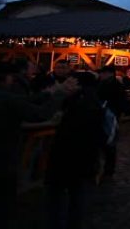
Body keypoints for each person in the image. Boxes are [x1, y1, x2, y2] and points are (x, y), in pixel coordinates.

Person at [0, 61, 77, 229]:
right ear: (7, 78)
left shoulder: (5, 96)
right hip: (2, 158)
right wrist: (60, 95)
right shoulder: (6, 98)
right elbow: (39, 114)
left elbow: (25, 100)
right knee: (0, 205)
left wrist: (50, 93)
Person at [46, 71, 104, 229]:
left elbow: (50, 113)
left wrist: (56, 94)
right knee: (78, 197)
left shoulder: (73, 101)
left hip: (64, 157)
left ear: (77, 84)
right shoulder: (95, 102)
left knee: (57, 198)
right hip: (85, 158)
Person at [96, 65, 127, 178]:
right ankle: (109, 168)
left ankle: (105, 169)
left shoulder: (105, 84)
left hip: (106, 115)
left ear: (108, 73)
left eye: (102, 73)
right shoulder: (118, 84)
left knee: (106, 141)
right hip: (114, 115)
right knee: (110, 142)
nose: (100, 75)